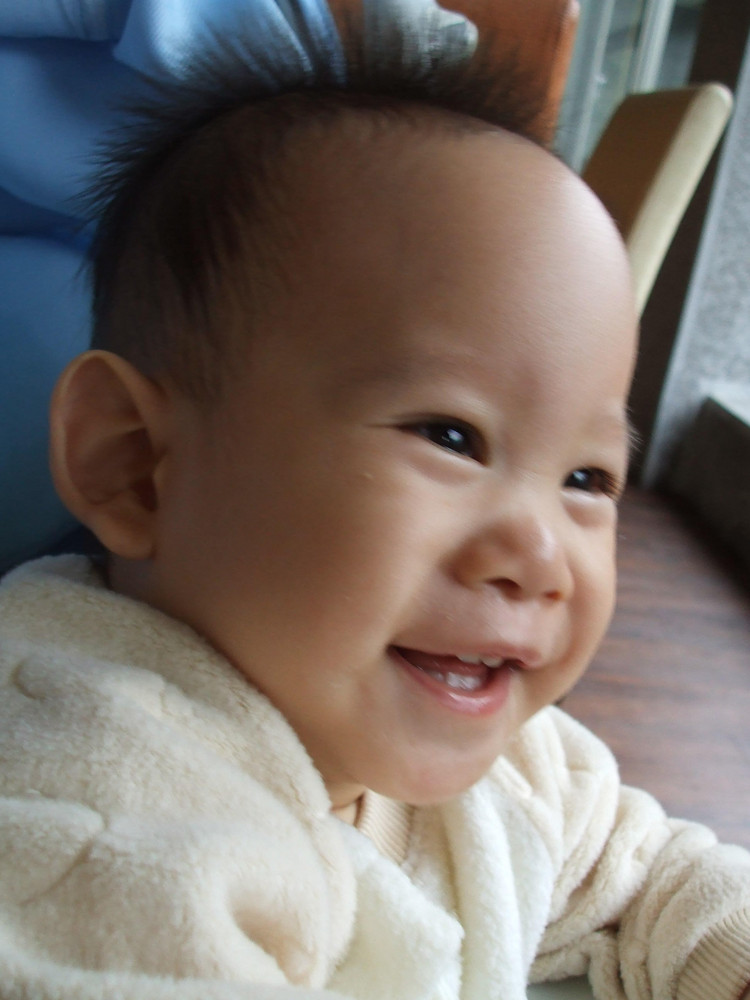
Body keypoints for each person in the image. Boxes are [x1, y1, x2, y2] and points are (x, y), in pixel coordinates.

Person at [0, 4, 748, 999]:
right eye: (451, 435)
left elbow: (646, 878)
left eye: (588, 478)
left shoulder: (509, 768)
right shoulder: (99, 814)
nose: (539, 553)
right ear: (136, 464)